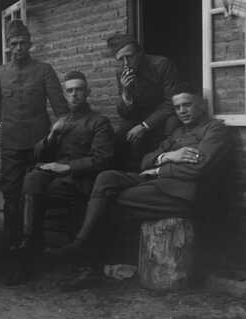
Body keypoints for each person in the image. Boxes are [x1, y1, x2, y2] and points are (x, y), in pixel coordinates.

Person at [53, 83, 231, 262]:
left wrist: (158, 170)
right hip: (160, 184)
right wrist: (168, 156)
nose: (182, 111)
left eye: (187, 105)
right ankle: (83, 245)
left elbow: (198, 167)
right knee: (107, 178)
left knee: (115, 199)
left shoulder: (214, 129)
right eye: (177, 107)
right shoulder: (178, 132)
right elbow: (145, 161)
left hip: (185, 194)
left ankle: (89, 253)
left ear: (200, 105)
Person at [0, 19, 68, 281]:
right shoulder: (2, 73)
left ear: (30, 44)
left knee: (36, 195)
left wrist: (51, 137)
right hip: (11, 145)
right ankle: (13, 251)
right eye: (13, 44)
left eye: (22, 43)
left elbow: (62, 112)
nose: (18, 48)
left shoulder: (44, 70)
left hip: (39, 145)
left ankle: (33, 250)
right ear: (8, 47)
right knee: (12, 198)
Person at [16, 70, 115, 281]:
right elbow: (39, 154)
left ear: (87, 92)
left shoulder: (99, 122)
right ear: (65, 93)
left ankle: (81, 261)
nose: (74, 94)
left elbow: (102, 159)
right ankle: (29, 246)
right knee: (31, 179)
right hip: (57, 173)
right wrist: (52, 135)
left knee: (54, 189)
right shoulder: (61, 121)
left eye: (79, 90)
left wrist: (68, 168)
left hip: (82, 178)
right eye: (69, 90)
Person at [108, 33, 178, 171]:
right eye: (121, 59)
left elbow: (172, 102)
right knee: (119, 136)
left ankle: (164, 169)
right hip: (138, 117)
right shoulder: (121, 73)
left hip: (162, 116)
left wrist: (144, 126)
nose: (126, 63)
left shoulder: (162, 64)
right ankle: (125, 175)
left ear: (140, 53)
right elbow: (124, 114)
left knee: (172, 123)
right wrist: (126, 93)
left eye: (130, 56)